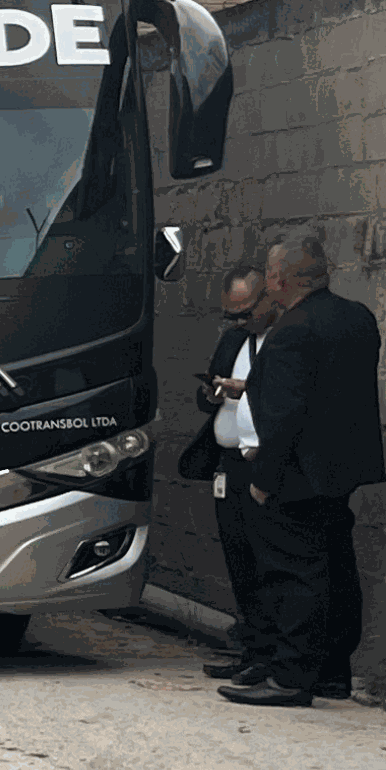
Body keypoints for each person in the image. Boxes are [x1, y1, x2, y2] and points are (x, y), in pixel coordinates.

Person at [222, 226, 384, 707]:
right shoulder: (357, 318)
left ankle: (292, 676)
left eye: (271, 271)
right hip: (341, 470)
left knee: (294, 575)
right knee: (336, 569)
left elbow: (287, 414)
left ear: (279, 278)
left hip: (296, 473)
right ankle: (334, 673)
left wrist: (264, 479)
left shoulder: (292, 331)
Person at [174, 260, 272, 682]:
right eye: (231, 314)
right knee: (238, 557)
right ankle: (249, 646)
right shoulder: (234, 341)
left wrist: (246, 389)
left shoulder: (283, 341)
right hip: (228, 460)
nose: (238, 322)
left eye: (245, 313)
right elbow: (205, 396)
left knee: (265, 559)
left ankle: (270, 654)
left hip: (263, 460)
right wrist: (212, 393)